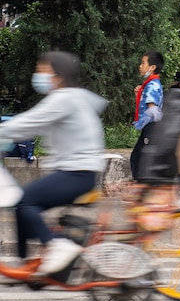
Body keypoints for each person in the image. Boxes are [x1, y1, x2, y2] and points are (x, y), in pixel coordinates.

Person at [0, 52, 107, 274]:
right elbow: (33, 125)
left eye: (43, 71)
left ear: (58, 76)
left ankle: (56, 245)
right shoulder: (74, 98)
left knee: (25, 203)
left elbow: (28, 123)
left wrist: (4, 131)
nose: (38, 75)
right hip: (78, 172)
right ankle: (25, 265)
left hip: (76, 174)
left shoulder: (63, 99)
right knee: (22, 206)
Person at [130, 51, 164, 180]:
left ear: (152, 67)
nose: (140, 66)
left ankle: (141, 186)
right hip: (150, 128)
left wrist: (140, 123)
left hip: (151, 128)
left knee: (140, 159)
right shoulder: (151, 84)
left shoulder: (151, 85)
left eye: (143, 63)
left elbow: (153, 110)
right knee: (138, 157)